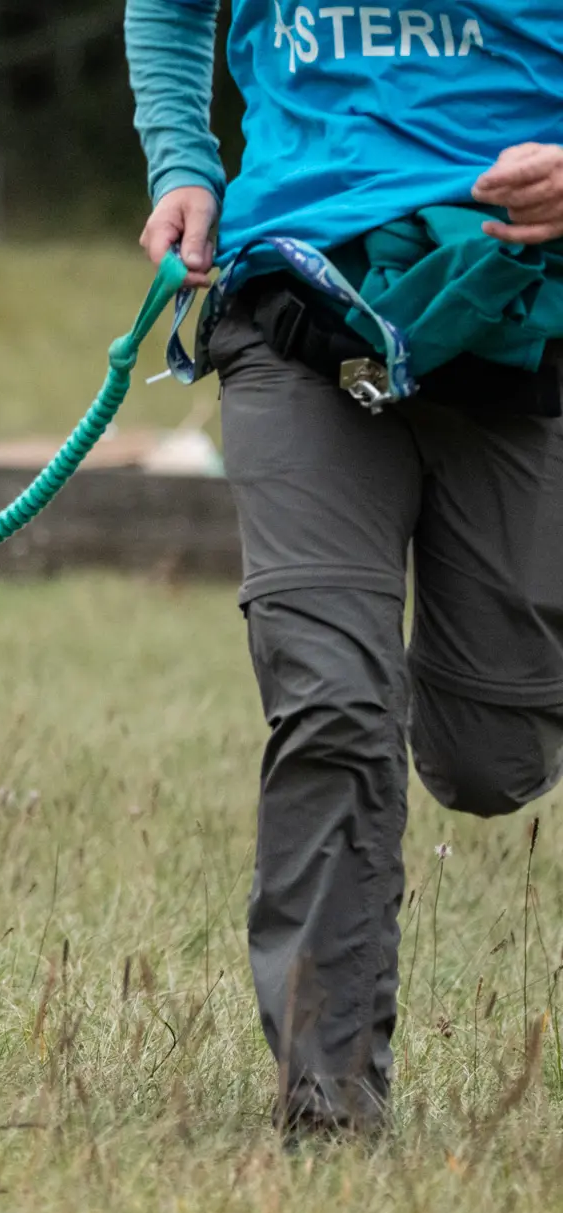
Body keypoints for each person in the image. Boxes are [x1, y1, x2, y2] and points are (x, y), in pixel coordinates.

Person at [124, 1, 563, 1136]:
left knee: (490, 760)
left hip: (521, 311)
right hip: (297, 302)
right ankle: (328, 1098)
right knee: (330, 699)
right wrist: (182, 161)